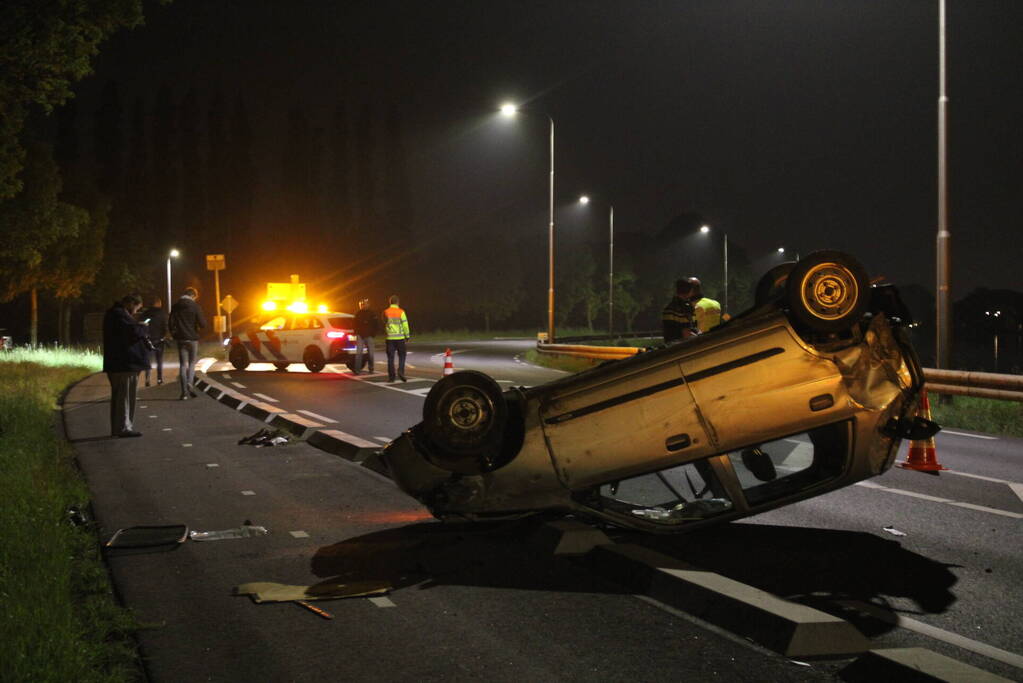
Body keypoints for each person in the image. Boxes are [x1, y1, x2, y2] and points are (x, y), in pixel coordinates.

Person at [102, 293, 150, 437]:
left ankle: (119, 427)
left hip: (119, 363)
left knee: (120, 396)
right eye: (136, 308)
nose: (135, 312)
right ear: (130, 303)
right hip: (124, 363)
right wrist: (143, 327)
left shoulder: (114, 314)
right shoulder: (119, 315)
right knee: (125, 396)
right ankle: (124, 427)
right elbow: (132, 333)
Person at [169, 286, 206, 400]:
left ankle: (184, 393)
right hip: (193, 339)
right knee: (191, 363)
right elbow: (203, 324)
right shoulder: (195, 307)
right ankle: (190, 383)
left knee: (182, 364)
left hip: (181, 339)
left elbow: (170, 323)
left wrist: (175, 335)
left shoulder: (176, 306)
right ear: (193, 296)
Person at [141, 296, 169, 386]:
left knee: (148, 360)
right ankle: (159, 379)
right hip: (160, 340)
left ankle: (147, 379)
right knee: (159, 360)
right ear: (158, 303)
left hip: (148, 340)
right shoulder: (162, 313)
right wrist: (165, 336)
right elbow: (165, 326)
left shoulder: (145, 313)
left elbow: (141, 325)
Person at [382, 294, 410, 382]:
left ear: (390, 302)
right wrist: (407, 335)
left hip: (390, 339)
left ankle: (391, 377)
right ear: (398, 302)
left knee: (390, 358)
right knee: (402, 355)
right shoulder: (401, 312)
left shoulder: (385, 312)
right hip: (400, 338)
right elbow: (405, 325)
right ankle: (400, 371)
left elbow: (384, 323)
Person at [662, 279, 697, 343]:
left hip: (670, 347)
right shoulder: (685, 308)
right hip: (682, 347)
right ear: (689, 291)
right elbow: (687, 334)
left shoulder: (669, 308)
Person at [352, 298, 380, 375]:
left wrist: (373, 334)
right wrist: (356, 332)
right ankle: (357, 370)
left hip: (369, 336)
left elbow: (376, 324)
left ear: (368, 304)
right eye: (362, 304)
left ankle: (371, 368)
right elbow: (354, 324)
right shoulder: (358, 313)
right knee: (359, 354)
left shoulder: (372, 313)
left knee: (371, 354)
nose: (363, 305)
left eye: (364, 304)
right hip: (360, 336)